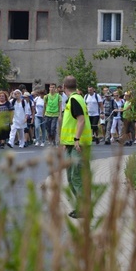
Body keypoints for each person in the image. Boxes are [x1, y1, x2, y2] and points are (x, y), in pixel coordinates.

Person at [59, 75, 92, 219]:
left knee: (77, 176)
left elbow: (81, 121)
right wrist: (66, 143)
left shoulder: (74, 100)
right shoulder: (75, 99)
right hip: (71, 145)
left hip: (78, 145)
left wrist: (77, 140)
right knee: (72, 177)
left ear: (64, 87)